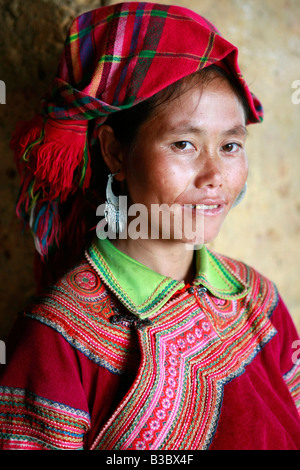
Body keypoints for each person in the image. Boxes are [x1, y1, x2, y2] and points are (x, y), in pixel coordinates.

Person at [0, 2, 299, 451]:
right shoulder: (55, 339)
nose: (214, 175)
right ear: (115, 152)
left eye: (231, 145)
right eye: (184, 144)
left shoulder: (258, 302)